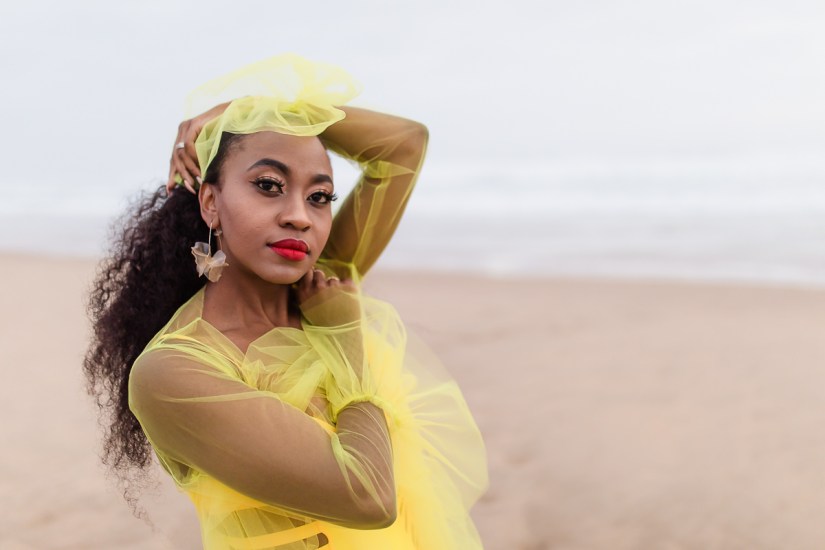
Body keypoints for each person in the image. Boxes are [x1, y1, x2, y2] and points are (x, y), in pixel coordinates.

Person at [83, 55, 488, 549]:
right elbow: (368, 496)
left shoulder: (322, 285)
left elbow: (404, 145)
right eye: (269, 186)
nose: (299, 216)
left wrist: (253, 109)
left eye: (320, 196)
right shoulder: (174, 372)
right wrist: (343, 335)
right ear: (211, 202)